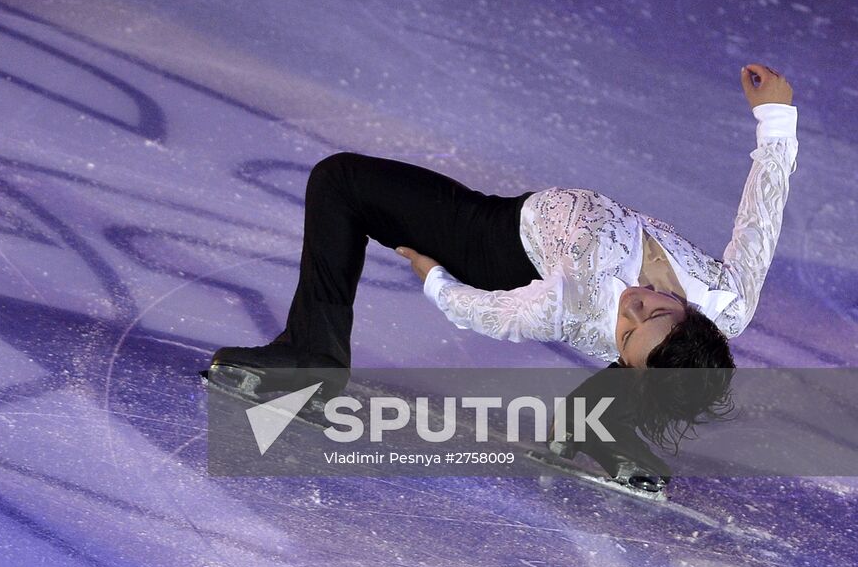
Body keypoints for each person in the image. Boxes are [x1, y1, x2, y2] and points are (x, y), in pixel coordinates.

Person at [209, 63, 797, 453]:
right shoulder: (726, 300)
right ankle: (593, 423)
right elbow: (761, 218)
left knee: (340, 181)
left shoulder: (577, 303)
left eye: (624, 334)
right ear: (693, 315)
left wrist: (436, 279)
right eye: (652, 313)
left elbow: (488, 314)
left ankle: (313, 356)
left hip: (490, 242)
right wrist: (775, 115)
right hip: (523, 224)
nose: (631, 306)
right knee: (653, 358)